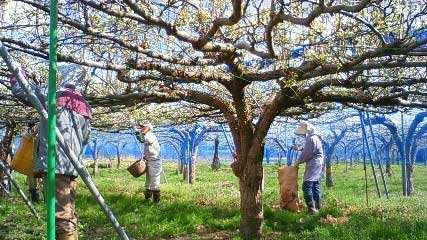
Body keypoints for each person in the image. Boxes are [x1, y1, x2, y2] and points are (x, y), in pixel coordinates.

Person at [11, 64, 92, 240]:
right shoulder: (84, 104)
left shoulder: (54, 93)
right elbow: (86, 138)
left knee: (60, 215)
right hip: (72, 165)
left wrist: (18, 73)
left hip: (56, 163)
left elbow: (22, 90)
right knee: (68, 210)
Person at [293, 121, 324, 215]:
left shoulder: (311, 139)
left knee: (307, 185)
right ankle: (318, 206)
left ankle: (312, 209)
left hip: (314, 164)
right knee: (315, 185)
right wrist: (300, 149)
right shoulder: (315, 138)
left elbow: (306, 154)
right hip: (318, 164)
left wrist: (297, 163)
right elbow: (310, 149)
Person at [134, 121, 162, 203]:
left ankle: (157, 202)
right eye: (141, 127)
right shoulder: (147, 135)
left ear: (148, 127)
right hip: (150, 161)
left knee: (155, 182)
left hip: (154, 162)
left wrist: (137, 132)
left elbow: (142, 139)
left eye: (143, 127)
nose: (142, 128)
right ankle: (147, 201)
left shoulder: (150, 135)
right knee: (148, 182)